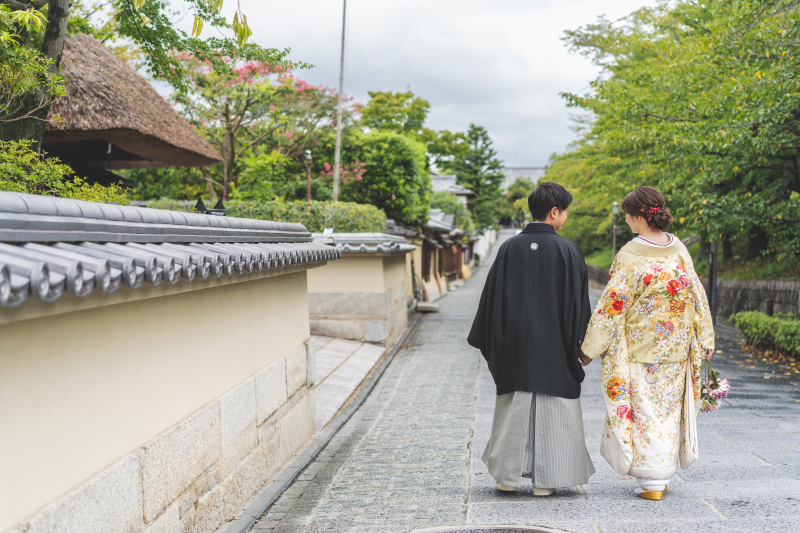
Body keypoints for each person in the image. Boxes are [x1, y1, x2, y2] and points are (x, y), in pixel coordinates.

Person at [580, 186, 715, 500]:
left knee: (646, 414)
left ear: (639, 216)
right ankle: (662, 477)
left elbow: (613, 305)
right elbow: (697, 295)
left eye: (627, 216)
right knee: (668, 412)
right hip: (678, 347)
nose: (626, 221)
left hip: (641, 349)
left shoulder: (631, 253)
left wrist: (590, 348)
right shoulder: (679, 249)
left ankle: (653, 482)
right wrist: (705, 337)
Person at [468, 182, 595, 496]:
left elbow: (491, 303)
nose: (564, 217)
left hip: (514, 350)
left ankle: (506, 477)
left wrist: (495, 346)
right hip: (556, 350)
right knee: (554, 410)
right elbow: (580, 306)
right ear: (554, 212)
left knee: (514, 408)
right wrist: (583, 346)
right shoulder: (569, 251)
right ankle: (547, 481)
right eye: (564, 212)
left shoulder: (509, 248)